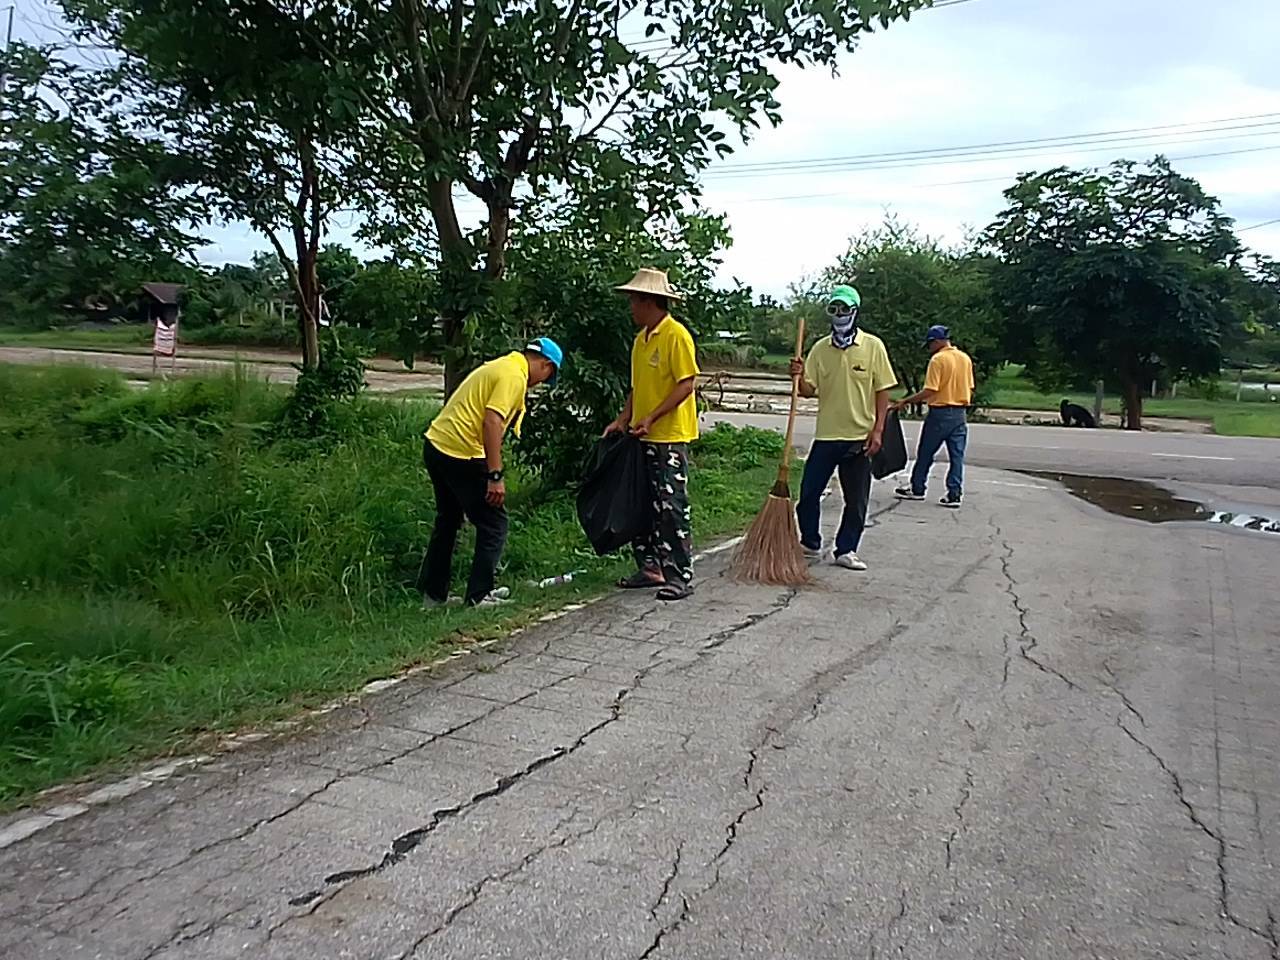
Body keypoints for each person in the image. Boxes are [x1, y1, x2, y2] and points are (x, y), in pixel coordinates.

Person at [417, 338, 563, 607]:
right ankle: (479, 595)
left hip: (438, 445)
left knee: (448, 520)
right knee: (494, 523)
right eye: (547, 377)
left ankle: (434, 596)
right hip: (460, 452)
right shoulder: (514, 375)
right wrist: (494, 475)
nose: (540, 383)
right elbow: (492, 421)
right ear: (545, 365)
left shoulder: (504, 365)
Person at [605, 267, 700, 601]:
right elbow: (638, 387)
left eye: (634, 300)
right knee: (642, 503)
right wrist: (624, 418)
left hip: (669, 435)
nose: (631, 307)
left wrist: (652, 416)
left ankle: (680, 574)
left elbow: (686, 384)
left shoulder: (676, 335)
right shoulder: (640, 341)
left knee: (671, 506)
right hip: (641, 434)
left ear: (650, 302)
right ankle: (650, 567)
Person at [790, 284, 898, 571]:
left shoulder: (872, 346)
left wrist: (878, 430)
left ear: (855, 311)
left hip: (859, 436)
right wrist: (797, 376)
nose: (840, 314)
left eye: (845, 309)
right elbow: (808, 390)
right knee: (808, 494)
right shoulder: (820, 349)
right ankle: (810, 542)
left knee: (856, 500)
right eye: (834, 308)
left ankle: (846, 549)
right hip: (827, 434)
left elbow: (883, 390)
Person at [893, 325, 974, 508]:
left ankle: (918, 488)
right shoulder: (964, 358)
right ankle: (954, 494)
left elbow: (931, 389)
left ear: (937, 342)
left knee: (926, 452)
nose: (929, 348)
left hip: (940, 412)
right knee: (957, 456)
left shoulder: (938, 360)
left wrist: (906, 401)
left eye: (930, 344)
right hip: (960, 413)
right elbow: (969, 387)